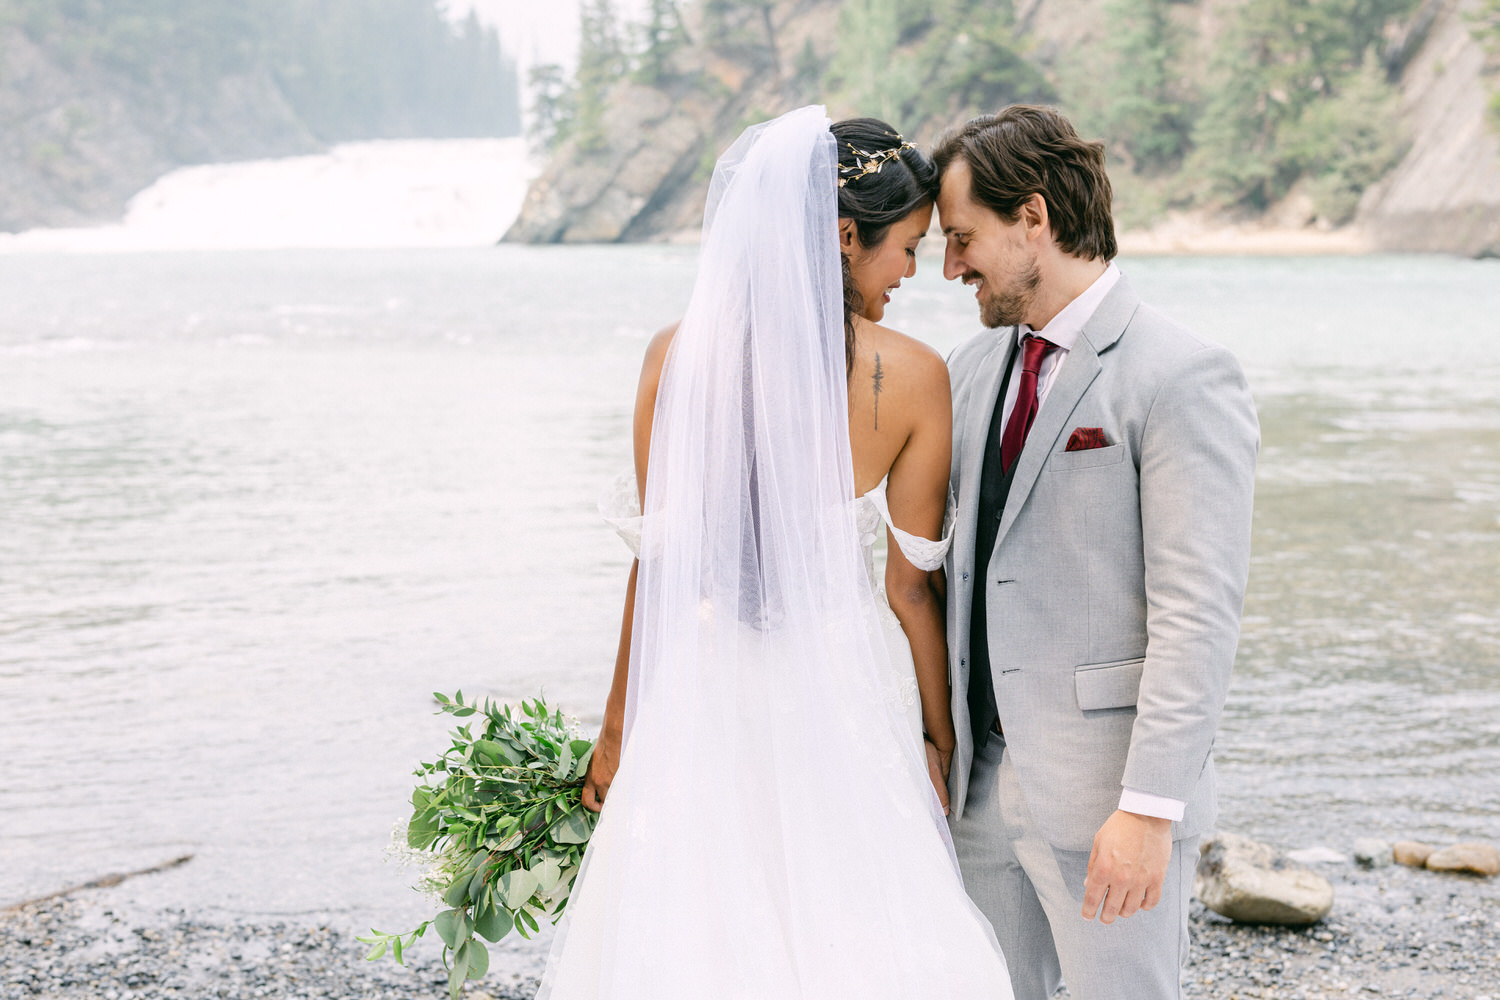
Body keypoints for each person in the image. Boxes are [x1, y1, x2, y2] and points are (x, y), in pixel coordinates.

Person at [537, 107, 1014, 999]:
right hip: (841, 693)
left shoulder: (674, 357)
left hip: (701, 690)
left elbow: (660, 567)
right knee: (859, 927)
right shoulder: (914, 376)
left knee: (700, 931)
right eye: (906, 248)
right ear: (844, 236)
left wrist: (615, 737)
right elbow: (911, 589)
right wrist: (935, 735)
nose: (912, 274)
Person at [934, 105, 1259, 1000]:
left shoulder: (1184, 374)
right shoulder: (967, 370)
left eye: (964, 238)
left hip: (1109, 801)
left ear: (1032, 218)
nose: (951, 264)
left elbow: (1198, 614)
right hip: (978, 798)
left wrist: (1149, 811)